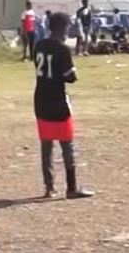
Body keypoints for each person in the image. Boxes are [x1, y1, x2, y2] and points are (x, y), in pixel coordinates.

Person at [33, 12, 93, 200]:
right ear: (61, 28)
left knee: (46, 146)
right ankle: (71, 188)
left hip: (41, 98)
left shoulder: (39, 45)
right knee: (67, 144)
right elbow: (70, 77)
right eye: (67, 27)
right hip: (57, 99)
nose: (68, 31)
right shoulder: (62, 49)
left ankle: (49, 188)